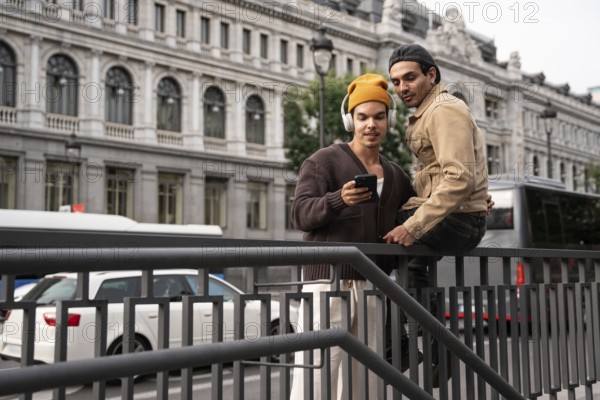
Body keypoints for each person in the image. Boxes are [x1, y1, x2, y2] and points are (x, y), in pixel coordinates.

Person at [289, 73, 414, 400]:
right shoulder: (323, 161)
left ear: (390, 120)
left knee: (366, 378)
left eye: (378, 116)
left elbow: (417, 212)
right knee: (320, 375)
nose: (370, 124)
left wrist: (471, 203)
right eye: (362, 117)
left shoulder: (397, 175)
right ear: (350, 120)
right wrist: (338, 199)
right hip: (327, 283)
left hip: (373, 284)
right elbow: (300, 214)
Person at [384, 43, 489, 387]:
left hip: (458, 220)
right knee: (413, 271)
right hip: (459, 215)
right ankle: (433, 348)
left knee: (374, 243)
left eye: (410, 78)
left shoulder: (443, 109)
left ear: (432, 75)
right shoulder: (430, 111)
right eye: (396, 82)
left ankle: (406, 345)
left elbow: (458, 176)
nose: (402, 88)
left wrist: (413, 225)